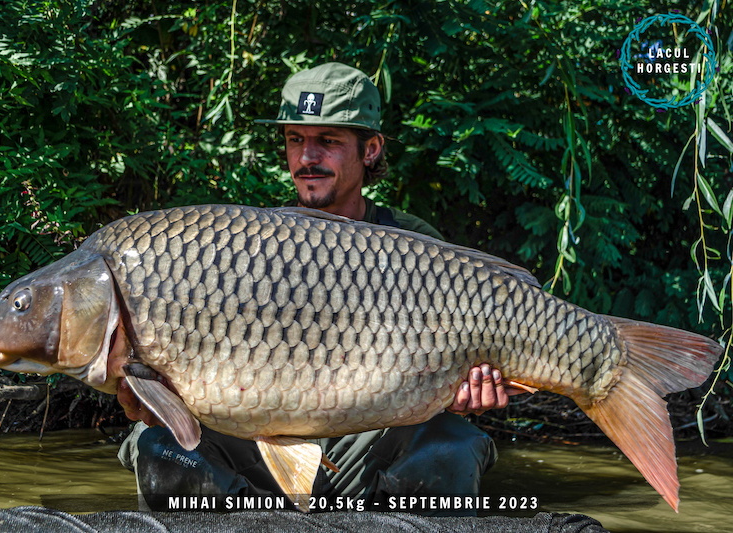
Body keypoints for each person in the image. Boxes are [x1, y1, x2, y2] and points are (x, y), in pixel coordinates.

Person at [117, 62, 517, 514]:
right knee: (157, 446)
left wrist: (465, 396)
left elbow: (453, 377)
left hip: (365, 451)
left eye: (327, 141)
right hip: (260, 448)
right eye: (295, 140)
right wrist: (151, 400)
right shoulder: (246, 244)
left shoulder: (415, 245)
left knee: (453, 443)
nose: (307, 157)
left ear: (371, 149)